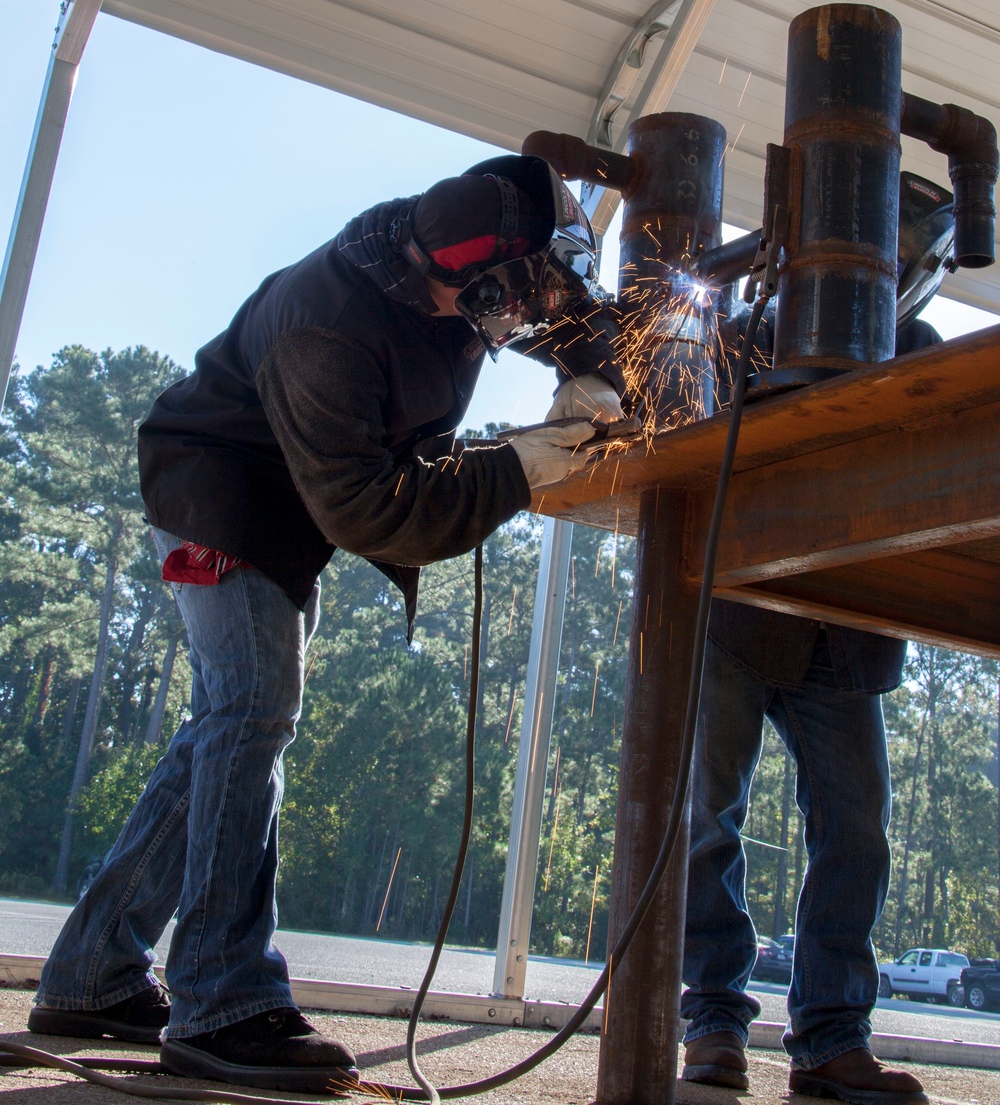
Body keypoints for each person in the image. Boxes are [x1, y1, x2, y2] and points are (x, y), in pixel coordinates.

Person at [29, 155, 625, 1092]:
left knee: (226, 728)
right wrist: (521, 467)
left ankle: (91, 974)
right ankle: (223, 1002)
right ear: (480, 282)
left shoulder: (460, 272)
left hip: (293, 501)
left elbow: (573, 319)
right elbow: (364, 506)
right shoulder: (327, 326)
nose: (539, 312)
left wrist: (603, 372)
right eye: (530, 293)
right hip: (222, 492)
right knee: (253, 713)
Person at [680, 314, 940, 1105]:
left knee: (856, 828)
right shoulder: (743, 336)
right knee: (706, 818)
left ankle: (830, 1041)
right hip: (739, 603)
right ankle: (713, 1023)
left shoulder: (920, 347)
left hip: (846, 625)